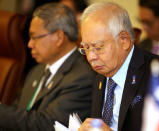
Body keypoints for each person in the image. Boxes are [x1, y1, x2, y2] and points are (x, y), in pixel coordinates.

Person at [77, 2, 159, 131]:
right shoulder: (101, 76)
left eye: (98, 47)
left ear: (124, 41)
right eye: (86, 48)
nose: (90, 57)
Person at [0, 3, 96, 131]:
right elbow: (18, 113)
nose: (29, 44)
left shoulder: (82, 77)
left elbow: (49, 125)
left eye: (35, 37)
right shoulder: (37, 70)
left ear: (59, 37)